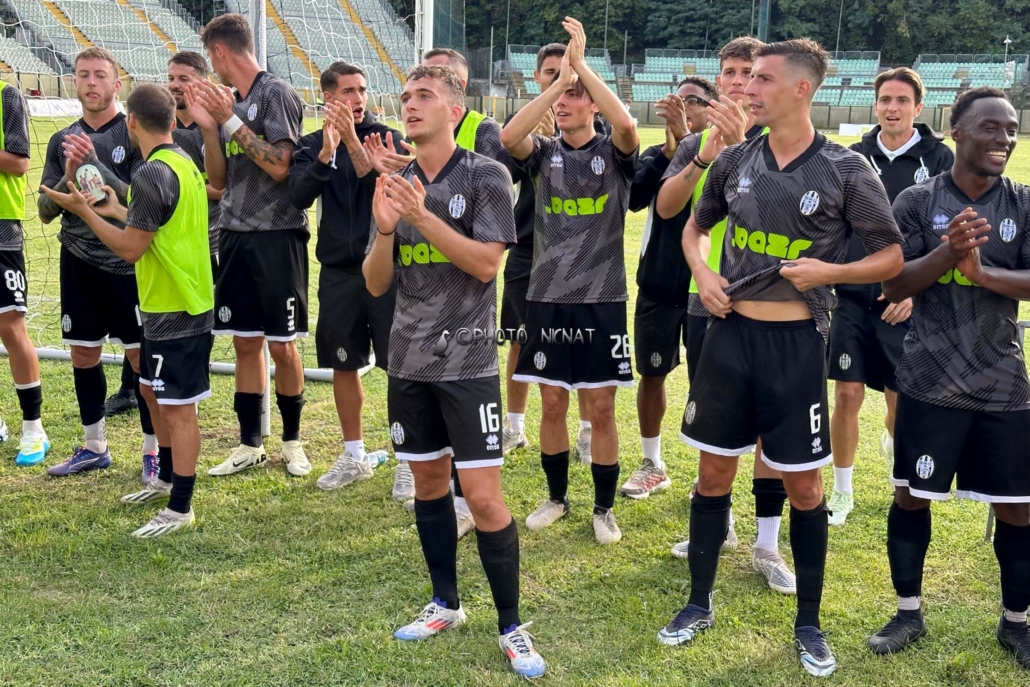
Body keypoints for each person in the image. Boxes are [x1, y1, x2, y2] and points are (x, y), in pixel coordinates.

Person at [657, 39, 903, 678]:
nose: (748, 89)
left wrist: (831, 271)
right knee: (714, 473)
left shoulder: (846, 169)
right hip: (728, 338)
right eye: (748, 78)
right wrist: (703, 273)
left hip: (796, 347)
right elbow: (693, 226)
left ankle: (809, 623)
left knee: (804, 484)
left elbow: (891, 255)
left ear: (802, 89)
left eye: (764, 79)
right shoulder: (736, 158)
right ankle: (698, 602)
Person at [364, 63, 545, 679]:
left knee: (485, 498)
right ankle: (445, 603)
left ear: (453, 108)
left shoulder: (485, 173)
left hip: (467, 362)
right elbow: (376, 282)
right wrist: (385, 230)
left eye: (424, 96)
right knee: (427, 485)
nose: (410, 106)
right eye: (406, 96)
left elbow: (486, 265)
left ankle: (511, 626)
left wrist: (420, 217)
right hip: (407, 360)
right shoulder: (395, 183)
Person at [868, 88, 1030, 670]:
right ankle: (907, 613)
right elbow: (892, 285)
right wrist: (948, 254)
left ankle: (1017, 623)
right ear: (957, 131)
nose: (1003, 139)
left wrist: (983, 274)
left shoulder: (1023, 203)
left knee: (1018, 507)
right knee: (911, 496)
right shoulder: (917, 201)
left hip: (1003, 382)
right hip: (929, 380)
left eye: (1010, 129)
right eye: (990, 128)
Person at [655, 37, 795, 595]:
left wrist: (740, 148)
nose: (740, 83)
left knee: (770, 431)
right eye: (731, 72)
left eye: (750, 73)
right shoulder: (698, 141)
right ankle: (721, 524)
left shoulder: (785, 141)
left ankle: (768, 543)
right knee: (716, 425)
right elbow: (668, 207)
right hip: (710, 300)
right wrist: (706, 156)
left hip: (777, 309)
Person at [41, 83, 213, 537]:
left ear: (131, 121)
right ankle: (165, 480)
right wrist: (117, 208)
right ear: (172, 120)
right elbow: (153, 221)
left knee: (178, 410)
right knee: (156, 395)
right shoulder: (182, 162)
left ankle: (180, 506)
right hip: (165, 303)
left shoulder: (152, 171)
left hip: (178, 305)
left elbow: (131, 248)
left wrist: (85, 211)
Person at [501, 18, 640, 545]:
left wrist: (582, 70)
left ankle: (604, 508)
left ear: (594, 104)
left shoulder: (613, 155)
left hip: (602, 299)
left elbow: (627, 126)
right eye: (561, 93)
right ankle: (556, 497)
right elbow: (509, 137)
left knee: (601, 408)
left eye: (576, 94)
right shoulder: (543, 154)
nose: (565, 101)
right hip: (547, 298)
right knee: (553, 404)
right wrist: (560, 81)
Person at [825, 67, 954, 526]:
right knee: (847, 395)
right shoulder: (852, 157)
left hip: (905, 302)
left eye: (902, 100)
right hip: (852, 299)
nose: (892, 108)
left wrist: (915, 292)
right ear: (875, 105)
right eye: (885, 100)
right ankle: (842, 492)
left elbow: (947, 237)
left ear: (918, 107)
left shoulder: (940, 159)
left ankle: (899, 470)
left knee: (900, 404)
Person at [187, 14, 311, 477]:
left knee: (282, 346)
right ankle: (249, 443)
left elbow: (280, 165)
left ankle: (293, 441)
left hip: (277, 236)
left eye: (212, 58)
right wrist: (208, 128)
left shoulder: (275, 92)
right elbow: (219, 181)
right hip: (235, 235)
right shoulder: (230, 102)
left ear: (221, 51)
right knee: (244, 343)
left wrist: (229, 120)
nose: (213, 68)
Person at [288, 61, 407, 492]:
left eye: (362, 90)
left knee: (400, 368)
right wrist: (325, 154)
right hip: (338, 271)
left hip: (388, 269)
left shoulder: (388, 137)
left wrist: (354, 143)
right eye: (348, 92)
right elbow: (297, 196)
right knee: (344, 363)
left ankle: (408, 458)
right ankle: (354, 455)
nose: (358, 98)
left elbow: (382, 181)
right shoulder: (311, 144)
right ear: (328, 99)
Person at [37, 47, 150, 480]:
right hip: (78, 260)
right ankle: (94, 445)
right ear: (74, 82)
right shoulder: (61, 139)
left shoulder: (134, 133)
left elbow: (142, 201)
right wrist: (69, 172)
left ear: (116, 84)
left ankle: (152, 451)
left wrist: (95, 164)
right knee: (84, 354)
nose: (90, 82)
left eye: (100, 75)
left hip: (126, 261)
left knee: (141, 359)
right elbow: (45, 212)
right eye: (83, 75)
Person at [618, 76, 715, 500]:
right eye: (679, 99)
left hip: (707, 286)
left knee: (706, 381)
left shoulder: (729, 154)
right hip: (659, 280)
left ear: (712, 108)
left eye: (694, 100)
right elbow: (634, 198)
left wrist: (695, 146)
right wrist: (672, 151)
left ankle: (706, 475)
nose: (683, 106)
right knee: (652, 373)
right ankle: (652, 463)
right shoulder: (660, 154)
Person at [0, 77, 47, 466]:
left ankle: (33, 429)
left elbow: (19, 163)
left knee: (11, 327)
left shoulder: (7, 94)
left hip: (2, 230)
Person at [167, 51, 224, 279]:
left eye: (184, 79)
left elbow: (225, 189)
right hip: (169, 237)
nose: (175, 85)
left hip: (211, 237)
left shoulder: (219, 126)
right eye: (171, 78)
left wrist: (180, 185)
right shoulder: (158, 125)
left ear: (203, 83)